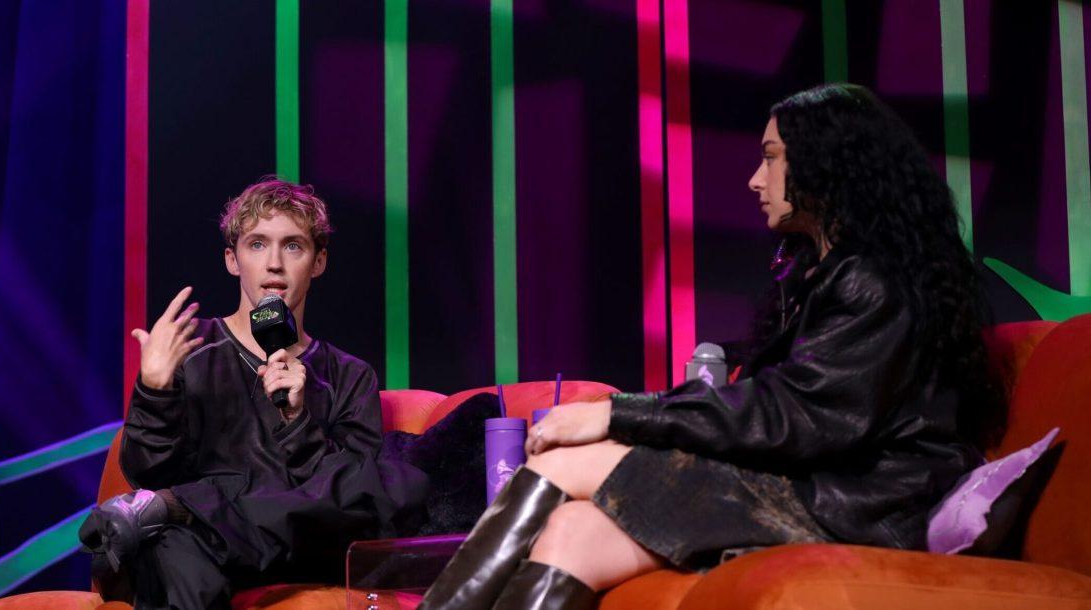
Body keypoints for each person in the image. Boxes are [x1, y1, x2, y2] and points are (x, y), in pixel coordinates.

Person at [418, 83, 1001, 609]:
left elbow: (793, 414)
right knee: (573, 532)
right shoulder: (823, 277)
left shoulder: (874, 281)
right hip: (821, 487)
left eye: (772, 158)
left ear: (827, 166)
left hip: (861, 507)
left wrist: (615, 412)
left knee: (563, 463)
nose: (755, 178)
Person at [81, 179, 427, 609]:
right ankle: (183, 513)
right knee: (178, 552)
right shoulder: (191, 351)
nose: (275, 264)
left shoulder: (350, 376)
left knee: (385, 490)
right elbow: (146, 476)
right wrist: (154, 390)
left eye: (294, 247)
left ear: (318, 262)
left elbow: (355, 502)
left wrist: (297, 421)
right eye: (258, 245)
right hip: (200, 549)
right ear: (233, 259)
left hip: (298, 549)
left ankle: (182, 508)